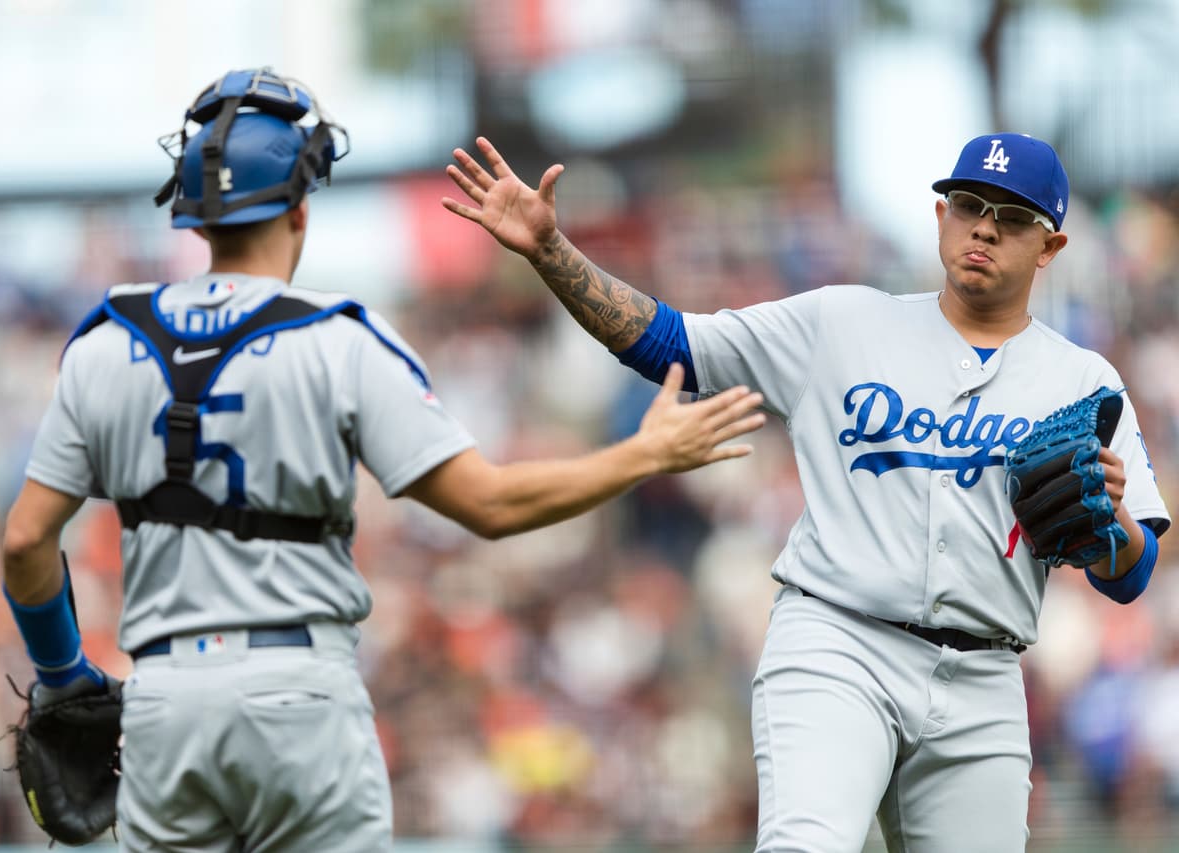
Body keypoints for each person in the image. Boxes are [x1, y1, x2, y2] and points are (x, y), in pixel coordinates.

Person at [0, 68, 768, 851]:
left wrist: (63, 675)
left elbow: (26, 541)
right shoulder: (340, 338)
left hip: (165, 703)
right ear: (299, 207)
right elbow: (489, 503)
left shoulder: (104, 345)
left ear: (193, 216)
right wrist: (641, 454)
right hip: (299, 698)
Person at [442, 133, 1171, 851]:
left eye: (1012, 217)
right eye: (968, 204)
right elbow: (671, 344)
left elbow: (1129, 577)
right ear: (940, 214)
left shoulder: (1084, 381)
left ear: (1050, 247)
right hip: (838, 644)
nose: (984, 227)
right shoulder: (842, 322)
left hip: (985, 673)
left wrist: (1111, 522)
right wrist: (550, 251)